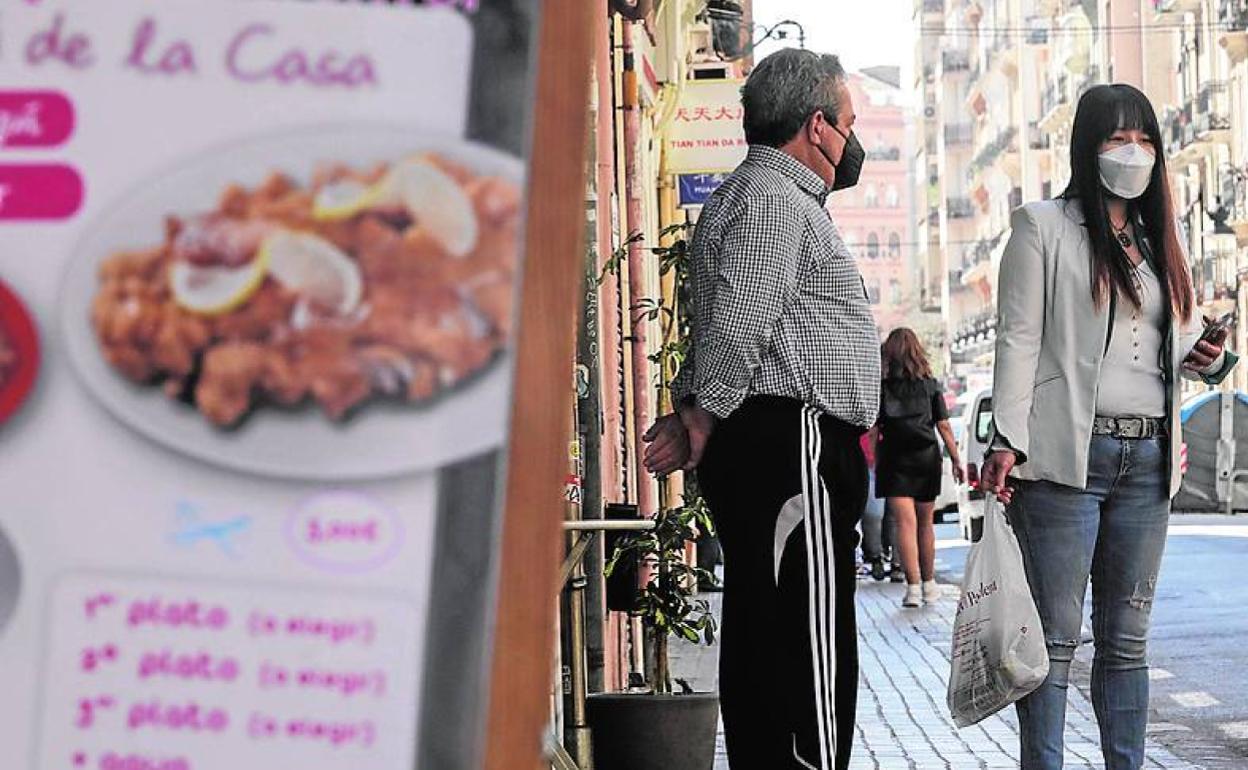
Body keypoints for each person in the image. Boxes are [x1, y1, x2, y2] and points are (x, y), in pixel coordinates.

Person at [980, 83, 1238, 770]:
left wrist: (1208, 357)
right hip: (1069, 456)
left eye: (1144, 139)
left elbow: (1176, 346)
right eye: (1116, 139)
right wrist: (1006, 439)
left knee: (1127, 642)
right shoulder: (1043, 227)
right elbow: (1019, 340)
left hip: (1149, 458)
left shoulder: (1159, 240)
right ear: (1086, 147)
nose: (1133, 152)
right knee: (1056, 640)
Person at [642, 48, 880, 770]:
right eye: (848, 123)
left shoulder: (759, 198)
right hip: (793, 445)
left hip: (781, 445)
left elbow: (728, 324)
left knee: (769, 634)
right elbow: (741, 324)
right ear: (816, 126)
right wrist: (701, 414)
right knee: (809, 641)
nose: (852, 141)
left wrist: (697, 410)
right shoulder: (776, 200)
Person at [874, 328, 964, 607]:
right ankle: (929, 584)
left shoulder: (882, 387)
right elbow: (945, 426)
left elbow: (873, 427)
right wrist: (957, 460)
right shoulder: (931, 385)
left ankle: (912, 589)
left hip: (894, 459)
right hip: (926, 458)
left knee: (905, 524)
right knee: (926, 523)